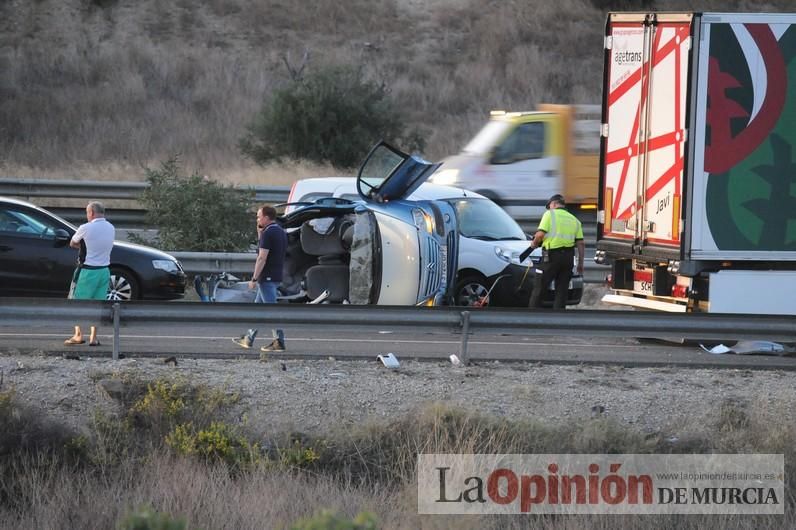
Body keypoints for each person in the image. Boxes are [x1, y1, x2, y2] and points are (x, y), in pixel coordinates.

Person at [233, 205, 288, 354]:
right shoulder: (280, 231)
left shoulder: (268, 233)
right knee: (258, 308)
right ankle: (249, 339)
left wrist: (254, 278)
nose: (257, 219)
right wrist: (259, 234)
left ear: (266, 217)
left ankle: (279, 341)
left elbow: (262, 257)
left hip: (267, 277)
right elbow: (268, 250)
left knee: (271, 310)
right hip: (276, 275)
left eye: (258, 216)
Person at [522, 194, 584, 310]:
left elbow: (540, 235)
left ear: (554, 204)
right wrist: (580, 264)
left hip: (551, 257)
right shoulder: (575, 220)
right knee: (562, 290)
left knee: (539, 287)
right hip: (568, 258)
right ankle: (559, 320)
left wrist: (534, 243)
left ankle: (532, 317)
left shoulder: (549, 214)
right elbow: (581, 244)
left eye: (549, 206)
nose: (549, 208)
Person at [64, 201, 115, 346]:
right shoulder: (111, 228)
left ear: (91, 213)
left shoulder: (85, 228)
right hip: (104, 271)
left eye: (87, 213)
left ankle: (78, 335)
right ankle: (94, 338)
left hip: (87, 271)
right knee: (98, 305)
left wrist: (84, 246)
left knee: (77, 303)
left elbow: (73, 243)